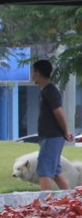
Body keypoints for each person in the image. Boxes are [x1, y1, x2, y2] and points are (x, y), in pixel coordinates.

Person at [31, 59, 75, 191]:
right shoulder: (45, 91)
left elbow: (59, 113)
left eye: (33, 72)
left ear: (38, 73)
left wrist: (66, 131)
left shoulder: (50, 91)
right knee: (55, 172)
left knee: (44, 170)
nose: (32, 75)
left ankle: (44, 205)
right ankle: (71, 199)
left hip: (52, 137)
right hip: (48, 137)